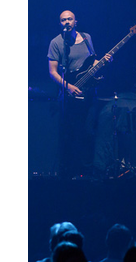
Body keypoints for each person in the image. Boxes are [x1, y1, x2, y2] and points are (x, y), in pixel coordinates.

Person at [47, 10, 112, 179]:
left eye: (69, 19)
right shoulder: (56, 43)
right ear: (59, 23)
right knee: (72, 132)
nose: (67, 22)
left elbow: (93, 62)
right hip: (69, 94)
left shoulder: (86, 38)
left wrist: (104, 61)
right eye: (63, 20)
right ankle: (71, 170)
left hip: (89, 93)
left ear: (76, 21)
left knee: (89, 130)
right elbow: (53, 72)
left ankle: (88, 170)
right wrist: (67, 87)